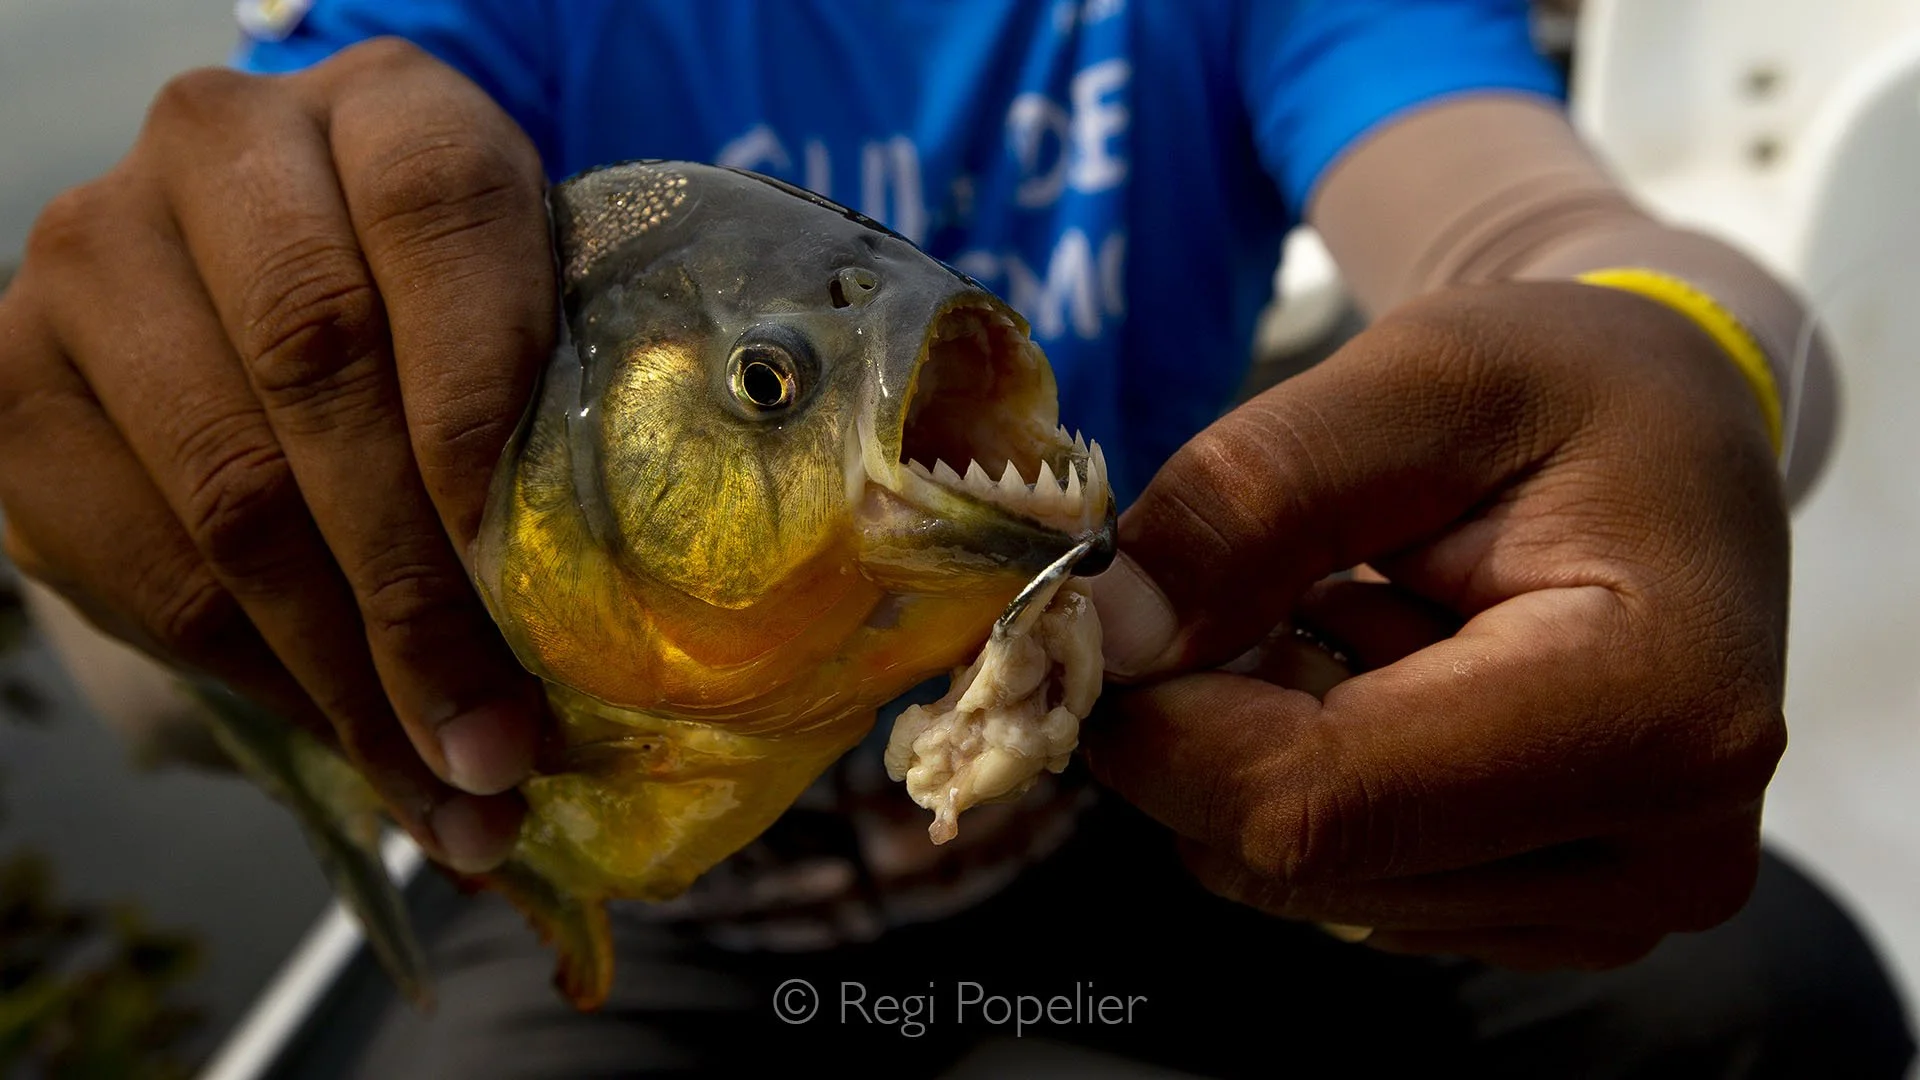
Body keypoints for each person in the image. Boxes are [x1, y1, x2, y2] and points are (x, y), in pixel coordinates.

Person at [0, 0, 1909, 1075]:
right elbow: (234, 336)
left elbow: (1533, 232)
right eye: (767, 387)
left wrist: (1689, 356)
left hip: (1135, 816)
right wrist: (108, 443)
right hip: (656, 899)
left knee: (1765, 999)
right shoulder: (485, 20)